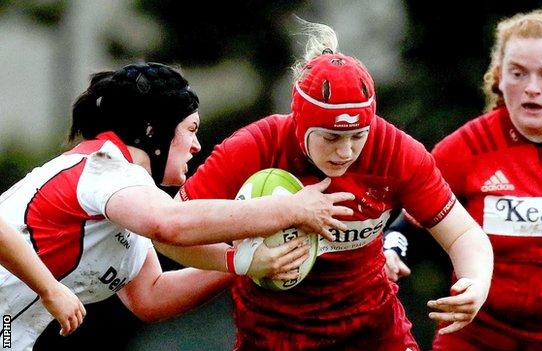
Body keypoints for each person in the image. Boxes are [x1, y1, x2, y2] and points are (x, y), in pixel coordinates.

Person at [175, 21, 493, 351]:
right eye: (331, 137)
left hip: (376, 334)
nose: (346, 151)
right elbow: (170, 232)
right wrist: (242, 261)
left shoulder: (395, 151)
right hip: (274, 339)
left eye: (358, 136)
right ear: (300, 122)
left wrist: (477, 282)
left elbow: (463, 234)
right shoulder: (255, 147)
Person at [0, 62, 355, 351]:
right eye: (190, 129)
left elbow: (151, 296)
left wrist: (250, 259)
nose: (197, 145)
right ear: (154, 130)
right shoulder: (105, 165)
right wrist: (290, 210)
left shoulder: (125, 202)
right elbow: (170, 224)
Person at [386, 9, 542, 351]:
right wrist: (391, 251)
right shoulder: (464, 148)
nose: (531, 88)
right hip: (479, 340)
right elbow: (407, 225)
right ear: (499, 78)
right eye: (518, 73)